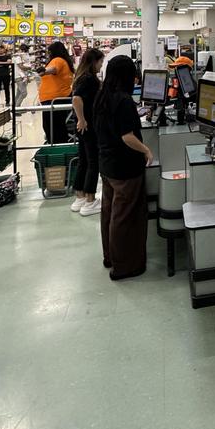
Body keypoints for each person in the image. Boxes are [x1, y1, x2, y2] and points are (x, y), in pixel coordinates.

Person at [94, 55, 152, 281]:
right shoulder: (124, 100)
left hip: (107, 164)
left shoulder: (103, 95)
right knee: (125, 217)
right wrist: (146, 150)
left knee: (109, 212)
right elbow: (127, 136)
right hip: (125, 167)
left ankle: (110, 256)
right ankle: (125, 266)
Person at [70, 48, 104, 217]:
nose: (101, 65)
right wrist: (82, 119)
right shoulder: (89, 79)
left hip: (83, 127)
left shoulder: (80, 77)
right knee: (93, 162)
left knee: (84, 160)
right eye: (100, 62)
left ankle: (80, 196)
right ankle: (90, 201)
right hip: (88, 126)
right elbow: (76, 99)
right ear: (94, 62)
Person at [39, 41, 74, 144]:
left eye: (49, 52)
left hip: (54, 100)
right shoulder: (65, 61)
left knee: (52, 127)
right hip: (58, 98)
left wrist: (44, 71)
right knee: (58, 126)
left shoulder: (58, 60)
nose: (48, 54)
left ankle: (56, 148)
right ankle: (61, 146)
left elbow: (53, 69)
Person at [13, 43, 33, 110]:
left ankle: (15, 107)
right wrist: (30, 67)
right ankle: (17, 109)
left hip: (23, 76)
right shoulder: (18, 57)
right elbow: (21, 67)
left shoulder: (23, 56)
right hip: (19, 76)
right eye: (24, 50)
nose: (25, 52)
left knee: (19, 93)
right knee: (24, 93)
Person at [0, 41, 12, 107]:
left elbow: (9, 62)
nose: (0, 50)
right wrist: (4, 63)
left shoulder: (8, 56)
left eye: (1, 48)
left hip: (6, 75)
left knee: (7, 89)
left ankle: (8, 102)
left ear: (4, 49)